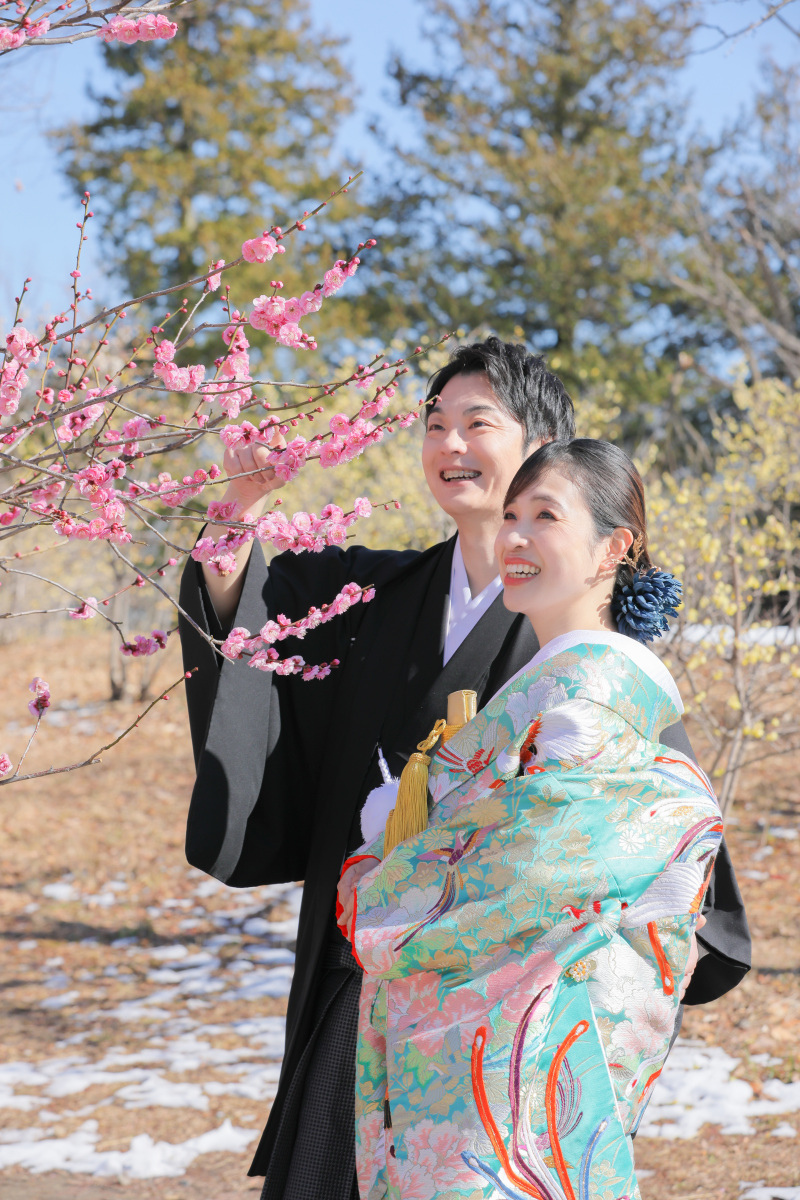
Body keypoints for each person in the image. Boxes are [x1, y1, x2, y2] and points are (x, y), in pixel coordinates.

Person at [177, 340, 748, 1200]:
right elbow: (247, 623)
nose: (450, 445)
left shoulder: (583, 655)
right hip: (364, 996)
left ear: (544, 446)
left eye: (477, 424)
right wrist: (237, 509)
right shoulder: (368, 594)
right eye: (433, 423)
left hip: (501, 1029)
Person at [342, 439, 723, 1200]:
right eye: (510, 514)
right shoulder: (553, 688)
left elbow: (524, 877)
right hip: (484, 1047)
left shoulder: (591, 700)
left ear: (614, 547)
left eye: (544, 516)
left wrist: (378, 873)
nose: (514, 536)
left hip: (519, 1053)